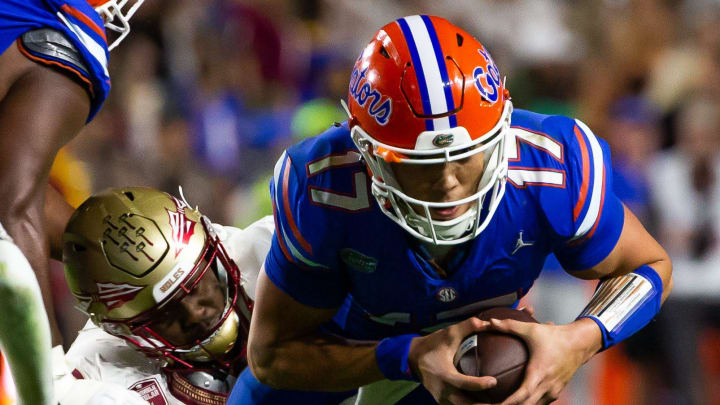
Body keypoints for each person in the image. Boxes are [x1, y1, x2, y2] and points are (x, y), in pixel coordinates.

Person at [229, 15, 673, 405]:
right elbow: (272, 355)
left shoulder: (551, 165)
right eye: (420, 165)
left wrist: (578, 340)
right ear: (369, 153)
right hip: (341, 352)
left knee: (503, 381)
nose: (447, 181)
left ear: (500, 134)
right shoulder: (323, 185)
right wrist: (408, 355)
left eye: (464, 156)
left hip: (464, 370)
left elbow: (651, 265)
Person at [0, 1, 143, 403]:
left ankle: (48, 385)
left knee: (8, 206)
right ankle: (175, 280)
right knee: (18, 197)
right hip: (48, 29)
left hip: (42, 26)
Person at [61, 187, 274, 403]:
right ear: (119, 329)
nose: (195, 313)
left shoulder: (264, 250)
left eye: (195, 286)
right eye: (166, 313)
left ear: (214, 251)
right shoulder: (99, 375)